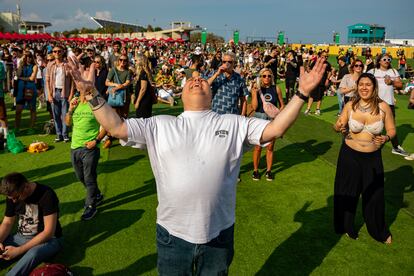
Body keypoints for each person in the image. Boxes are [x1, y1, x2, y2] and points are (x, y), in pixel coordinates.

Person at [66, 53, 326, 275]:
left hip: (219, 235)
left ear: (211, 93)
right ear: (181, 95)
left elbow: (275, 129)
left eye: (201, 78)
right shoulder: (161, 123)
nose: (197, 79)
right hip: (172, 235)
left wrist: (302, 93)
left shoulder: (233, 123)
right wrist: (90, 93)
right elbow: (117, 126)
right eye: (190, 79)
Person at [333, 73, 394, 244]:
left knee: (375, 195)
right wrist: (338, 126)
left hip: (372, 158)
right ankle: (347, 226)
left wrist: (386, 138)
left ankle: (378, 230)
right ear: (357, 86)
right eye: (361, 84)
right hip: (349, 155)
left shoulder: (383, 107)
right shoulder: (350, 105)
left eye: (368, 84)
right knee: (347, 192)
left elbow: (391, 130)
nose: (364, 88)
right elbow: (338, 126)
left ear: (374, 87)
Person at [0, 172, 63, 275]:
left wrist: (18, 251)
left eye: (16, 197)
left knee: (34, 253)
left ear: (26, 186)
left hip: (49, 240)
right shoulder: (12, 195)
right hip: (20, 237)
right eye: (11, 198)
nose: (14, 201)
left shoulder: (46, 194)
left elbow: (48, 232)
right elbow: (7, 222)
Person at [65, 65, 106, 220]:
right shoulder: (75, 101)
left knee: (89, 178)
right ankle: (97, 194)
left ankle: (90, 205)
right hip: (74, 147)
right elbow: (68, 123)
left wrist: (96, 141)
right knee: (80, 177)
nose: (80, 86)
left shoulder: (95, 102)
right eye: (78, 83)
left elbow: (107, 126)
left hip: (89, 148)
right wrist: (70, 109)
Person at [367, 53, 408, 157]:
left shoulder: (393, 71)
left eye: (389, 59)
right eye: (384, 59)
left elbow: (400, 85)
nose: (387, 61)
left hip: (389, 103)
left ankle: (396, 147)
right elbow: (365, 82)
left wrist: (392, 82)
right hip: (374, 102)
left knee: (391, 126)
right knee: (372, 124)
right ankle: (370, 144)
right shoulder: (373, 71)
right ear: (379, 61)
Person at [250, 68, 284, 181]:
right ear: (260, 77)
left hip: (271, 120)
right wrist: (254, 93)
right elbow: (254, 107)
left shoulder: (276, 88)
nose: (267, 78)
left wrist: (279, 118)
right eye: (264, 76)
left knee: (270, 147)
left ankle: (269, 171)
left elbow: (282, 105)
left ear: (272, 77)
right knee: (258, 146)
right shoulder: (257, 89)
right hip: (259, 118)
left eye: (269, 76)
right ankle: (255, 170)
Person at [46, 45, 74, 142]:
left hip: (64, 92)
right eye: (54, 51)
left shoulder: (67, 64)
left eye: (59, 51)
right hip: (54, 92)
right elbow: (47, 80)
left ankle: (65, 134)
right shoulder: (50, 65)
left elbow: (72, 81)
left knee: (65, 114)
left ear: (62, 52)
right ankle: (59, 135)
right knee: (56, 115)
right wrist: (49, 94)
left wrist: (71, 94)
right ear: (52, 53)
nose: (57, 53)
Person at [15, 52, 38, 132]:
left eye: (29, 56)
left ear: (32, 57)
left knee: (32, 109)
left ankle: (31, 128)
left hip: (30, 89)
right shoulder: (21, 66)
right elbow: (17, 75)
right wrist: (21, 63)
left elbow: (32, 78)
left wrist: (20, 78)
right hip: (20, 89)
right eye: (26, 57)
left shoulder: (34, 66)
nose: (28, 58)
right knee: (18, 110)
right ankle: (17, 128)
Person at [304, 51, 332, 115]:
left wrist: (327, 79)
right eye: (324, 56)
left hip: (322, 82)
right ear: (321, 55)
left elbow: (330, 71)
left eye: (327, 56)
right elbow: (309, 69)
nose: (325, 57)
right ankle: (308, 109)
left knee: (320, 96)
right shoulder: (316, 62)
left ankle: (318, 109)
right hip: (314, 81)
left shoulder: (327, 64)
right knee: (312, 95)